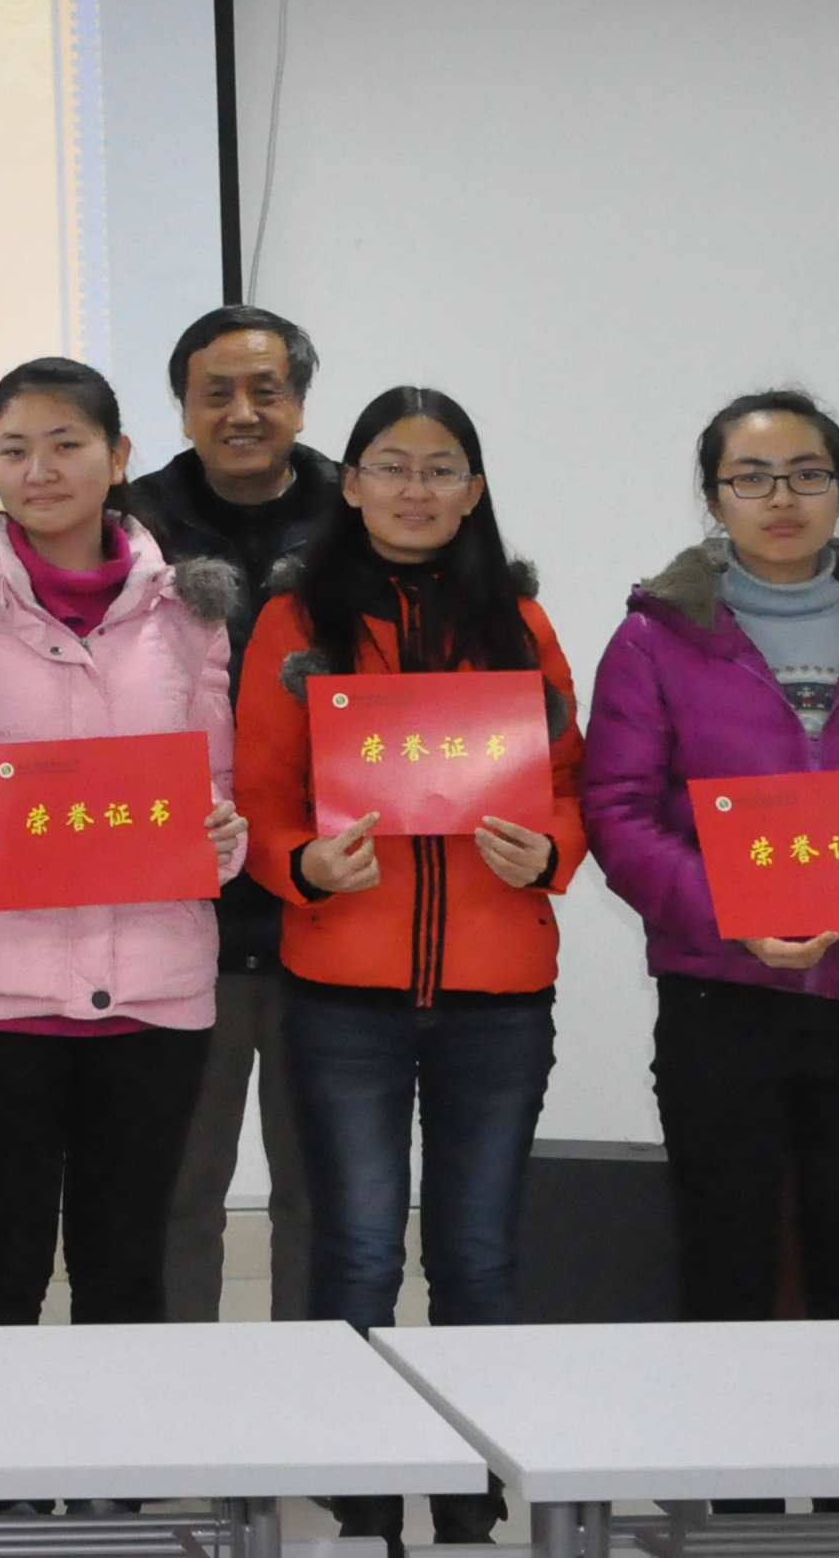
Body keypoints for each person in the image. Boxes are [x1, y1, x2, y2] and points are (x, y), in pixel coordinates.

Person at [237, 387, 584, 1555]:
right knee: (358, 1250)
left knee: (479, 1254)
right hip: (345, 989)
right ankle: (366, 1491)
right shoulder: (295, 621)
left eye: (441, 469)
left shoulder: (518, 622)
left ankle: (474, 1496)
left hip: (498, 991)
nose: (415, 489)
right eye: (391, 465)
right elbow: (259, 792)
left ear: (473, 490)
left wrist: (551, 851)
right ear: (350, 482)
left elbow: (571, 782)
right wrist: (301, 865)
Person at [585, 389, 839, 1338]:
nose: (782, 498)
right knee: (726, 1268)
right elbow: (619, 814)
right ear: (713, 498)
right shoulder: (655, 638)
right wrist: (733, 911)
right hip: (722, 1002)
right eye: (752, 478)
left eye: (808, 475)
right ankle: (732, 1447)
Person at [0, 360, 249, 1338]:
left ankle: (120, 1449)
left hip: (153, 990)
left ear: (118, 455)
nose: (39, 469)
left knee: (125, 1272)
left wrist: (222, 833)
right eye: (14, 449)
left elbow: (215, 782)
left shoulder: (189, 614)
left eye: (66, 444)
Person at [124, 303, 338, 1325]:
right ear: (182, 407)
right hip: (176, 916)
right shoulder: (129, 525)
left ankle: (317, 1384)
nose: (243, 412)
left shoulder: (359, 512)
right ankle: (181, 1392)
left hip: (328, 911)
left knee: (322, 1191)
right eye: (217, 393)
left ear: (300, 402)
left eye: (267, 390)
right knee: (174, 1190)